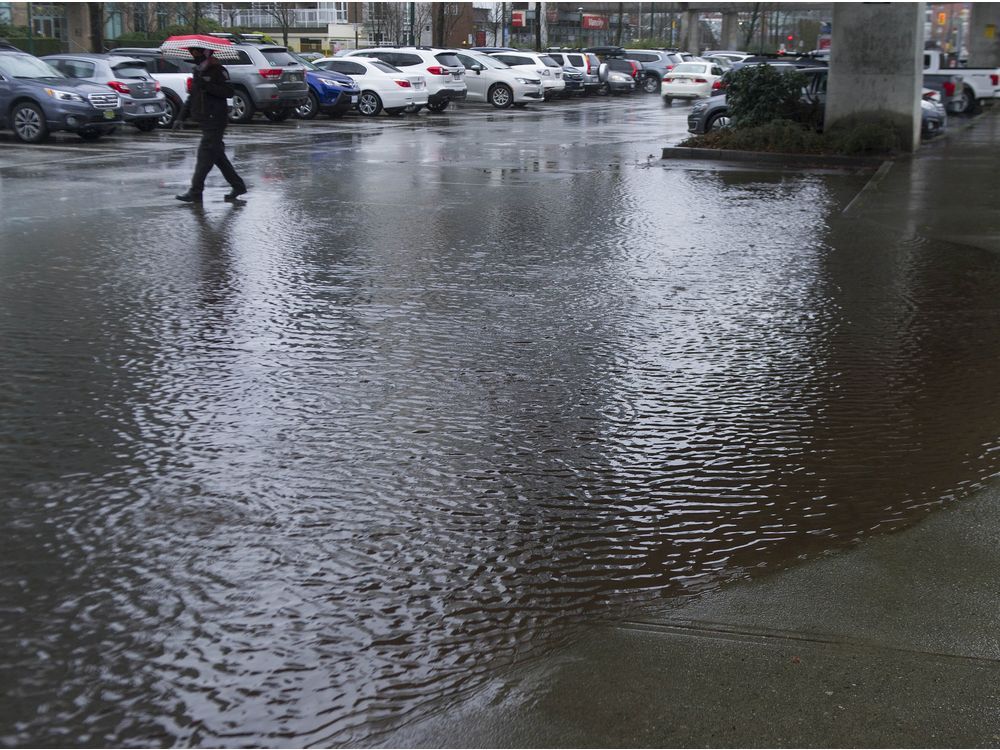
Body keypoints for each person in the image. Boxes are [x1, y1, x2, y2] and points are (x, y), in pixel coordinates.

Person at [175, 46, 247, 203]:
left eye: (196, 53)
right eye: (192, 53)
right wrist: (181, 117)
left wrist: (207, 86)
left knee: (204, 156)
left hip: (216, 119)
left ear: (205, 53)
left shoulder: (218, 70)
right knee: (218, 156)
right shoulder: (198, 71)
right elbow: (192, 96)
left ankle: (195, 191)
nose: (194, 56)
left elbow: (228, 92)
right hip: (204, 119)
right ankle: (238, 185)